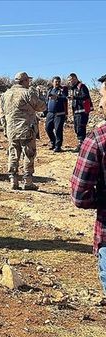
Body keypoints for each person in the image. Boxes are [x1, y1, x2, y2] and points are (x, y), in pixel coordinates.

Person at [70, 73, 106, 295]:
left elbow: (79, 195)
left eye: (102, 96)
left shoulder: (99, 139)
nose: (100, 103)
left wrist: (102, 199)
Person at [0, 71, 47, 191]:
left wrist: (5, 129)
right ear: (24, 81)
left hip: (11, 130)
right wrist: (41, 97)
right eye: (28, 80)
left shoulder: (5, 94)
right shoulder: (27, 93)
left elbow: (2, 115)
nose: (29, 82)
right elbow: (41, 107)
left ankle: (13, 180)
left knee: (13, 154)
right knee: (28, 154)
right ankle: (28, 181)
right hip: (26, 129)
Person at [68, 73, 92, 152]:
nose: (69, 82)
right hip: (76, 112)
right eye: (69, 81)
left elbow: (85, 96)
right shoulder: (73, 88)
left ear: (75, 78)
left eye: (70, 80)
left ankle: (82, 146)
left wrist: (74, 97)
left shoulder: (82, 86)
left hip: (82, 111)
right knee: (76, 128)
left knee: (80, 128)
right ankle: (82, 144)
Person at [45, 76, 68, 153]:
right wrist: (45, 112)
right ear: (53, 82)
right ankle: (53, 143)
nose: (58, 83)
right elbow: (47, 101)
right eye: (56, 81)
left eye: (59, 81)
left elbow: (65, 98)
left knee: (58, 130)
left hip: (59, 113)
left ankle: (58, 146)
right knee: (48, 129)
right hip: (50, 113)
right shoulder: (49, 90)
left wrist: (57, 97)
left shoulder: (62, 89)